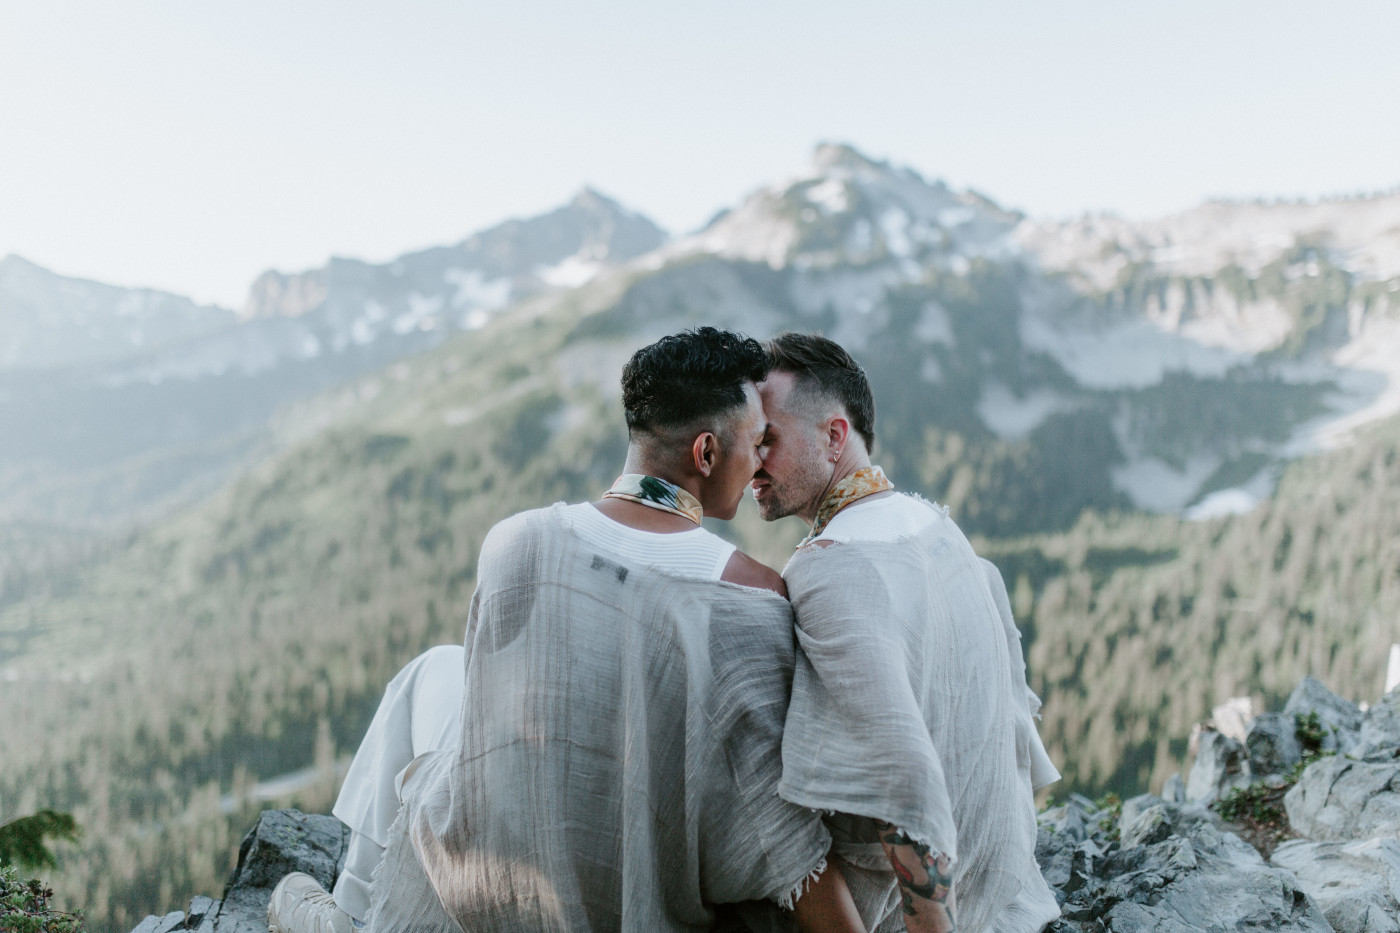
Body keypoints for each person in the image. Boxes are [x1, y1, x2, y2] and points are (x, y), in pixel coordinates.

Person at [267, 327, 866, 933]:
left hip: (492, 874)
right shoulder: (752, 593)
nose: (761, 459)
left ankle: (355, 914)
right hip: (637, 877)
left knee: (432, 671)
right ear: (706, 454)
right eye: (755, 442)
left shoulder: (514, 542)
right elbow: (765, 810)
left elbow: (484, 731)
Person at [749, 333, 1061, 933]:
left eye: (768, 439)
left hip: (897, 916)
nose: (751, 461)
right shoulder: (934, 525)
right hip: (1002, 891)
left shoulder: (830, 565)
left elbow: (900, 775)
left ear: (834, 436)